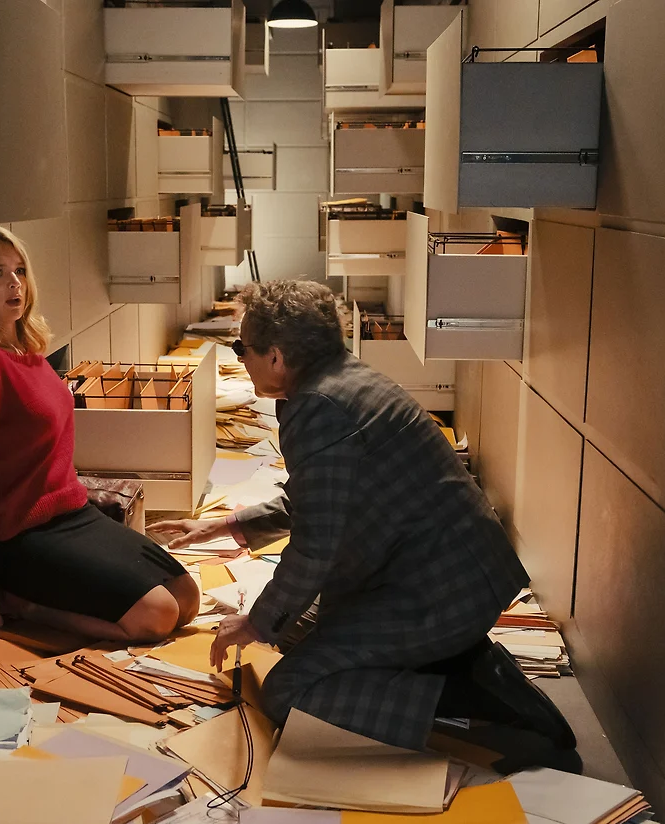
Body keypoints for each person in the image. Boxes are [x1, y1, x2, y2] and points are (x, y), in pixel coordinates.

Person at [148, 280, 576, 751]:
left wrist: (255, 623)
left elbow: (314, 546)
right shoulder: (341, 378)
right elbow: (320, 499)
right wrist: (223, 525)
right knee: (293, 629)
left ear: (276, 357)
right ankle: (462, 663)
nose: (240, 358)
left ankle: (471, 699)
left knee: (287, 692)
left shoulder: (320, 408)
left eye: (242, 348)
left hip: (440, 593)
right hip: (449, 572)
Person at [0, 225, 199, 642]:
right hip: (21, 536)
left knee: (187, 596)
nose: (15, 283)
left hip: (75, 514)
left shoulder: (26, 351)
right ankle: (24, 605)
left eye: (20, 270)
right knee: (158, 616)